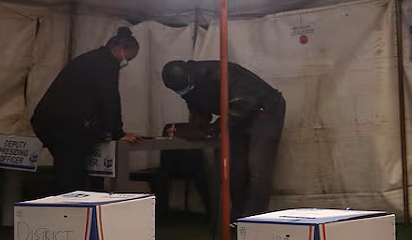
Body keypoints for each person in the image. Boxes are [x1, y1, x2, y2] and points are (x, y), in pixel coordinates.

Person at [161, 60, 284, 220]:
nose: (183, 92)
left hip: (264, 109)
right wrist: (197, 128)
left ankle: (254, 220)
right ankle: (238, 216)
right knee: (235, 167)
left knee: (257, 168)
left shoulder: (220, 73)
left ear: (190, 75)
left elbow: (245, 103)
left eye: (184, 88)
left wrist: (216, 126)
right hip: (236, 114)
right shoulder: (188, 86)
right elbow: (200, 110)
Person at [32, 27, 141, 194]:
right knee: (72, 176)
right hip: (65, 125)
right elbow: (108, 100)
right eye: (129, 57)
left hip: (48, 121)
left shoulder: (91, 58)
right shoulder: (105, 65)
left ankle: (65, 203)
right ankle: (70, 207)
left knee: (67, 170)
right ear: (120, 49)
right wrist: (118, 133)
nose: (125, 62)